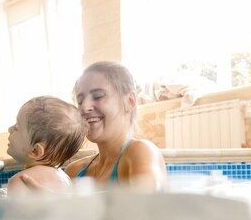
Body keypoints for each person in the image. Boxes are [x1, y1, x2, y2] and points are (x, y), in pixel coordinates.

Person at [23, 61, 167, 192]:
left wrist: (66, 207)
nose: (84, 108)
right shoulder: (74, 171)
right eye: (80, 101)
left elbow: (152, 207)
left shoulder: (141, 152)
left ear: (130, 101)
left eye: (98, 96)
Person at [6, 96, 88, 196]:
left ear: (35, 151)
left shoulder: (20, 181)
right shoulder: (66, 180)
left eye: (17, 127)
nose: (9, 129)